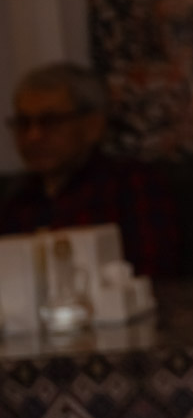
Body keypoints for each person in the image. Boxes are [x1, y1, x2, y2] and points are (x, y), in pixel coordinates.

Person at [2, 63, 181, 279]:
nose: (34, 136)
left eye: (50, 122)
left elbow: (155, 274)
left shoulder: (129, 183)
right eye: (23, 123)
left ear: (92, 126)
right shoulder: (16, 198)